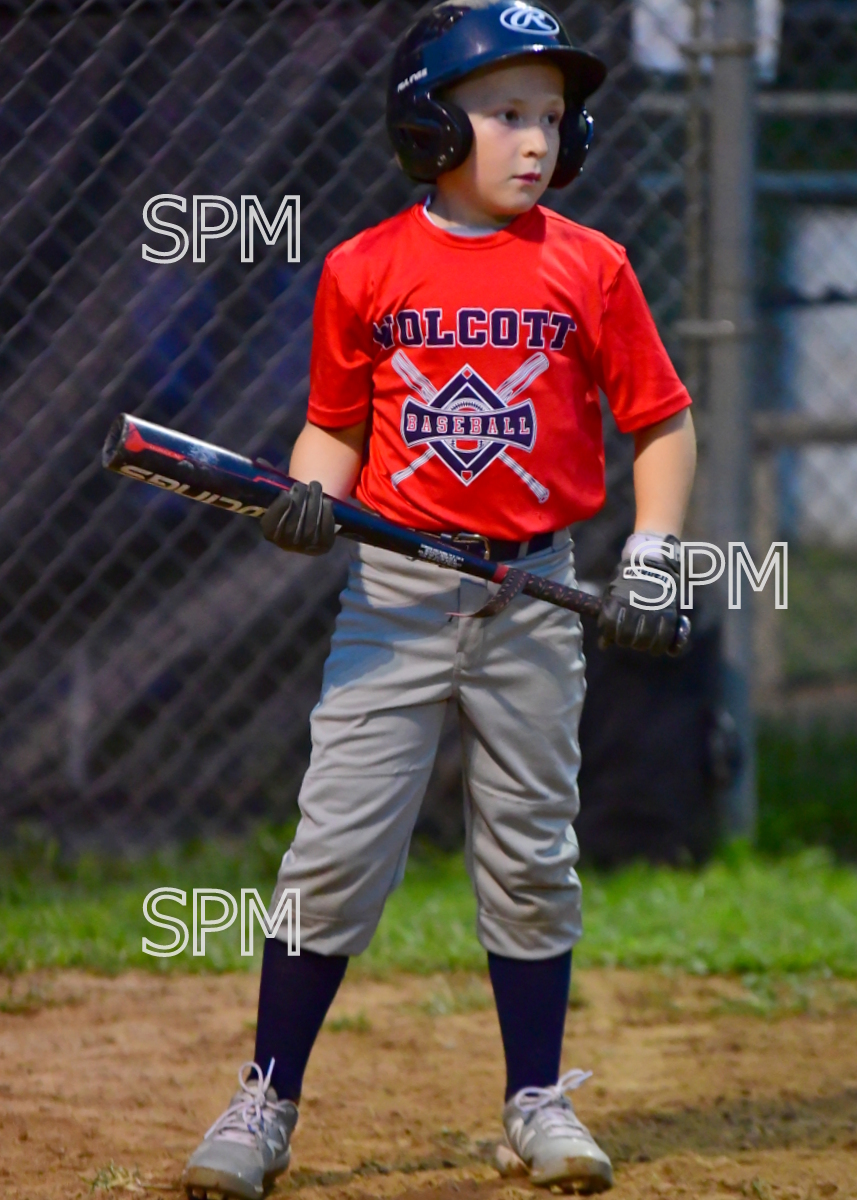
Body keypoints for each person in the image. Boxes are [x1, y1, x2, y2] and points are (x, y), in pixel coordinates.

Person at [181, 3, 696, 1197]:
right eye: (504, 114)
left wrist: (653, 556)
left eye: (551, 117)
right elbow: (332, 430)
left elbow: (661, 423)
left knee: (530, 853)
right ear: (430, 125)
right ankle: (266, 1099)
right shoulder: (363, 268)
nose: (535, 139)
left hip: (535, 592)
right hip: (398, 595)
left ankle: (533, 1099)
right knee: (335, 846)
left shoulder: (590, 265)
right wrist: (307, 499)